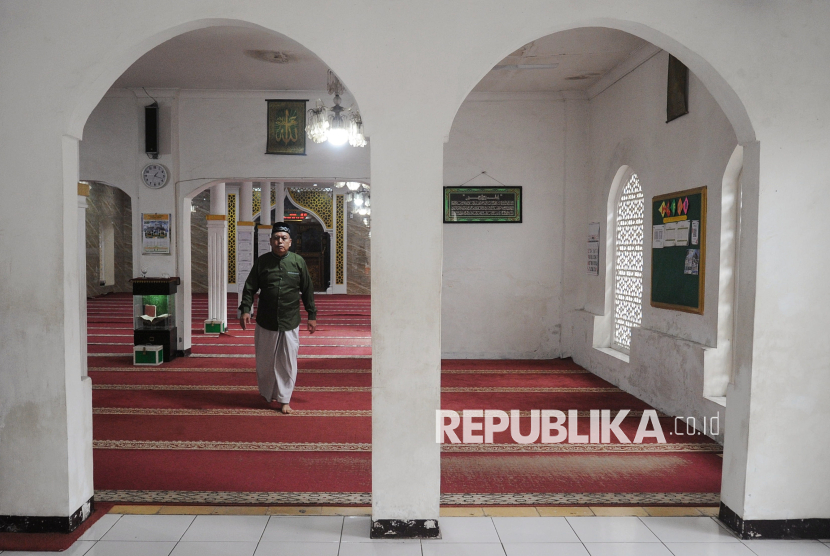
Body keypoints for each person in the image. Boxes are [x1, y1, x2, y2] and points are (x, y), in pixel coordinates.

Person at [239, 222, 317, 414]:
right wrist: (245, 309)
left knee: (288, 361)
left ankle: (285, 400)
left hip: (290, 320)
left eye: (283, 238)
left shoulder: (298, 262)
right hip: (266, 320)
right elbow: (249, 287)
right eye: (276, 238)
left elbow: (307, 290)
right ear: (270, 241)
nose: (279, 241)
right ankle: (268, 393)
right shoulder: (263, 262)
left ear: (290, 242)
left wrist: (311, 315)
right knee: (265, 361)